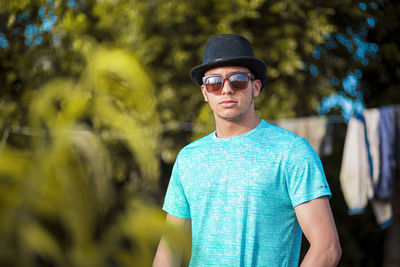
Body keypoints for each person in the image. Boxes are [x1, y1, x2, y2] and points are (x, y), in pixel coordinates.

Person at [153, 33, 341, 267]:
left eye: (238, 80)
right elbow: (169, 248)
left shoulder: (292, 152)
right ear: (204, 92)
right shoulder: (188, 159)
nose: (226, 89)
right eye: (214, 82)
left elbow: (327, 248)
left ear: (256, 87)